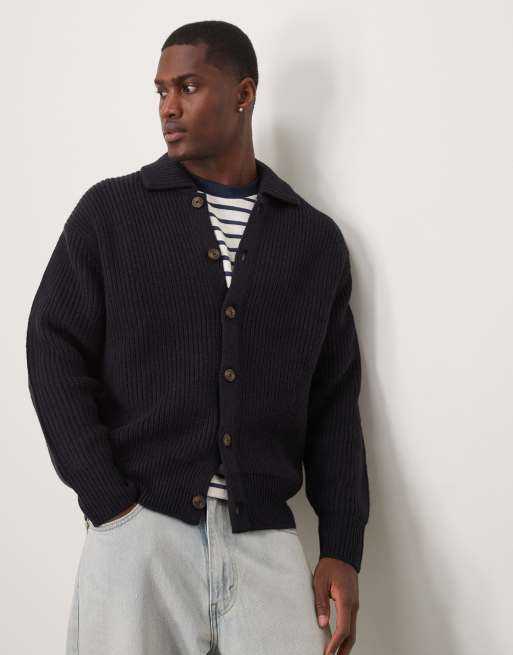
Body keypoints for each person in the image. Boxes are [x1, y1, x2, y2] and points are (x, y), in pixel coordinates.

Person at [26, 19, 370, 655]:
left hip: (264, 539)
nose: (168, 107)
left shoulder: (313, 241)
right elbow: (52, 349)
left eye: (188, 87)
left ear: (244, 94)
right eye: (161, 91)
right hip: (140, 534)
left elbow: (333, 406)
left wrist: (342, 548)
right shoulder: (112, 213)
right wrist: (108, 502)